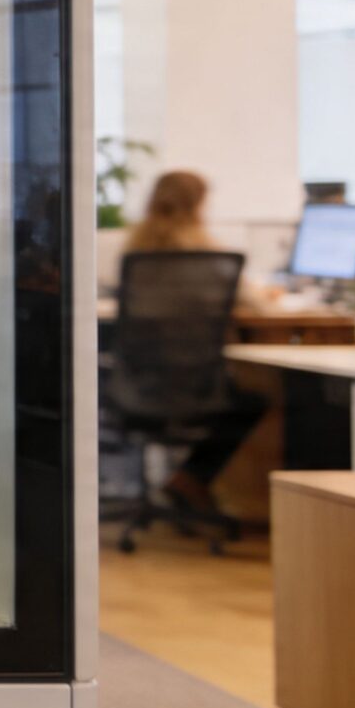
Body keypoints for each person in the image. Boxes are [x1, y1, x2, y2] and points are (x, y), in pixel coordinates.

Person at [120, 169, 260, 515]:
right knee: (255, 401)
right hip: (201, 390)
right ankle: (191, 477)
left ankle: (187, 479)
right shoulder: (208, 256)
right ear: (199, 203)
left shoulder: (134, 250)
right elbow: (255, 304)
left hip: (136, 389)